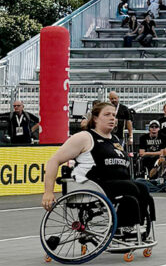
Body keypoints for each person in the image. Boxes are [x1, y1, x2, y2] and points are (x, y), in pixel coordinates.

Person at [41, 102, 156, 237]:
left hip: (116, 183)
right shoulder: (85, 137)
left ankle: (136, 224)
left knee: (143, 188)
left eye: (114, 115)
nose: (112, 118)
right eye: (107, 115)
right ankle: (123, 227)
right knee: (131, 188)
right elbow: (53, 161)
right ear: (95, 118)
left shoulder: (115, 139)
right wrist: (48, 192)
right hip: (94, 184)